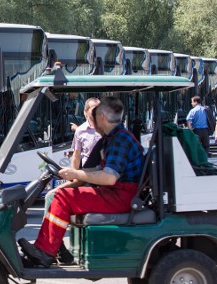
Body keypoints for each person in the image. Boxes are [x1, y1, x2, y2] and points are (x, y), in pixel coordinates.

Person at [20, 97, 143, 268]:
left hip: (121, 195)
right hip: (117, 192)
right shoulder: (113, 138)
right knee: (59, 195)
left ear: (102, 118)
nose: (91, 123)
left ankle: (46, 252)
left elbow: (109, 177)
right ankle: (49, 248)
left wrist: (76, 173)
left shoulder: (119, 140)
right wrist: (73, 174)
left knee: (63, 197)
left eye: (94, 118)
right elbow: (101, 170)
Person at [43, 97, 101, 265]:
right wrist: (70, 176)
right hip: (84, 176)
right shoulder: (81, 131)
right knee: (52, 194)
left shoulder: (105, 130)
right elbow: (76, 157)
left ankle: (52, 247)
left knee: (53, 196)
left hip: (97, 178)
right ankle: (56, 246)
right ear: (85, 112)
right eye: (92, 110)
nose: (96, 113)